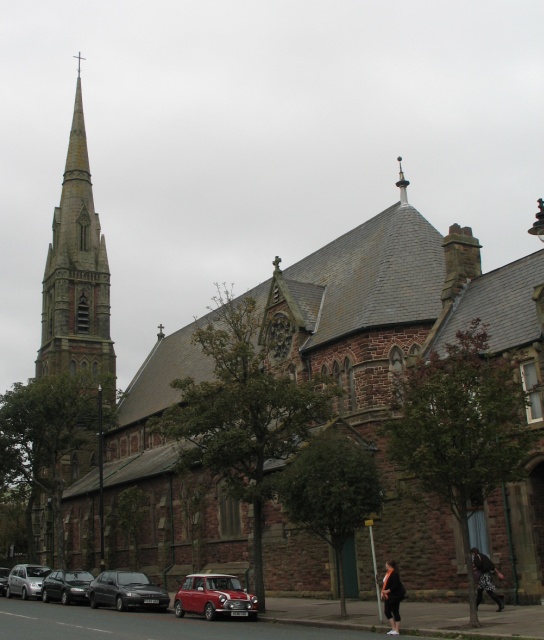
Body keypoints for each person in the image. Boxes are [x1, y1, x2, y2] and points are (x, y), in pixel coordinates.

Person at [471, 547, 504, 612]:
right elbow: (492, 566)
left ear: (473, 553)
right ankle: (475, 607)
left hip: (484, 576)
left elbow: (478, 566)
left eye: (472, 554)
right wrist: (498, 573)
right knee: (480, 591)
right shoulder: (484, 556)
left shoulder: (476, 557)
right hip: (487, 575)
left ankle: (500, 603)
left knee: (489, 591)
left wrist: (472, 569)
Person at [381, 559, 404, 635]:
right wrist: (383, 592)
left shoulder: (394, 574)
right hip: (388, 596)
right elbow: (385, 584)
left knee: (395, 611)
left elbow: (396, 585)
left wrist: (388, 591)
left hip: (394, 596)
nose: (385, 566)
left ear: (389, 565)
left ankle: (397, 630)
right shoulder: (388, 574)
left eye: (386, 564)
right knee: (387, 611)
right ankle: (393, 628)